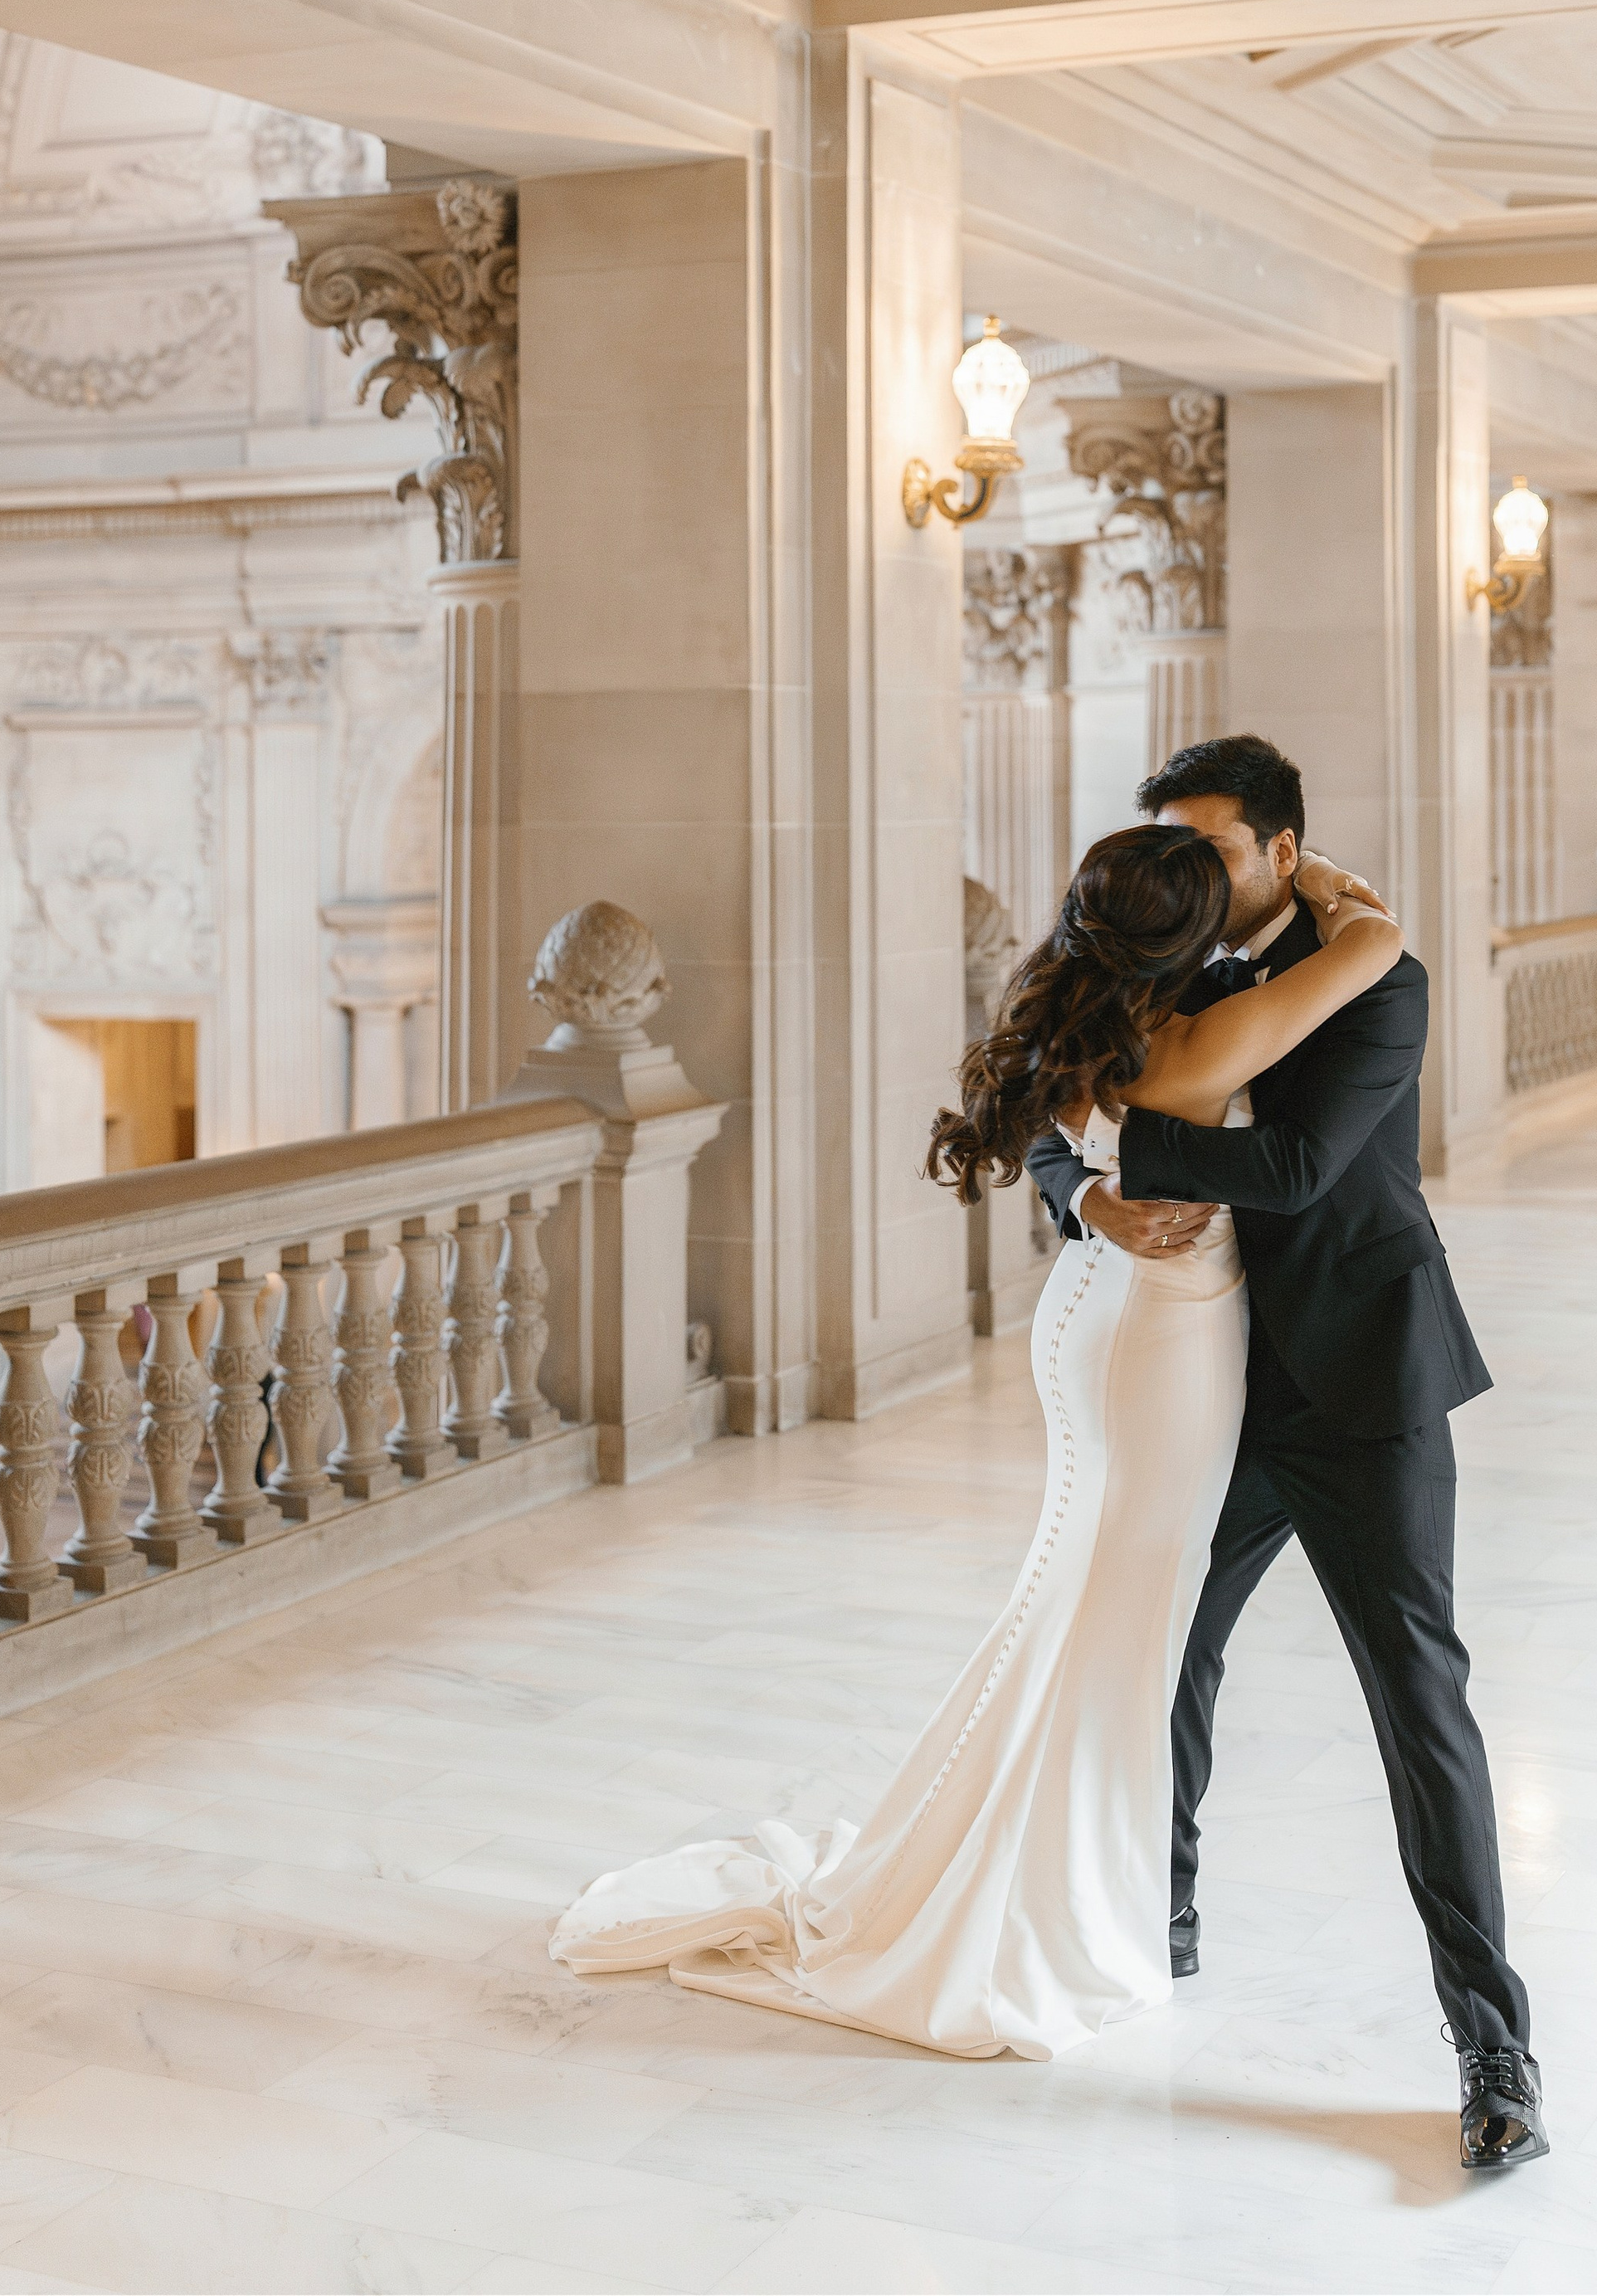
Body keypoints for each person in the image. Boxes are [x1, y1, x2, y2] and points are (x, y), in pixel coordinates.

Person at [551, 821, 1399, 2061]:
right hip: (1161, 1342)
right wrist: (1312, 873)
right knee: (1123, 1615)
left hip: (1099, 1309)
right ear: (1192, 935)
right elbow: (1375, 945)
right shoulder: (1207, 1037)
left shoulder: (1075, 1010)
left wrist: (1095, 1194)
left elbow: (1060, 1142)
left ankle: (1044, 1870)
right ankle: (1040, 1900)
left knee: (1080, 1601)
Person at [1027, 734, 1546, 2175]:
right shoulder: (1159, 959)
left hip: (1366, 1381)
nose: (1189, 878)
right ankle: (1162, 1916)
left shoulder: (1383, 977)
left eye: (1211, 853)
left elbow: (1303, 1168)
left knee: (1417, 1699)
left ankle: (1495, 2044)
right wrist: (1086, 1196)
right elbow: (1040, 1106)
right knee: (1170, 1648)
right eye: (1171, 855)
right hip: (1217, 1379)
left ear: (1282, 851)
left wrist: (1129, 1148)